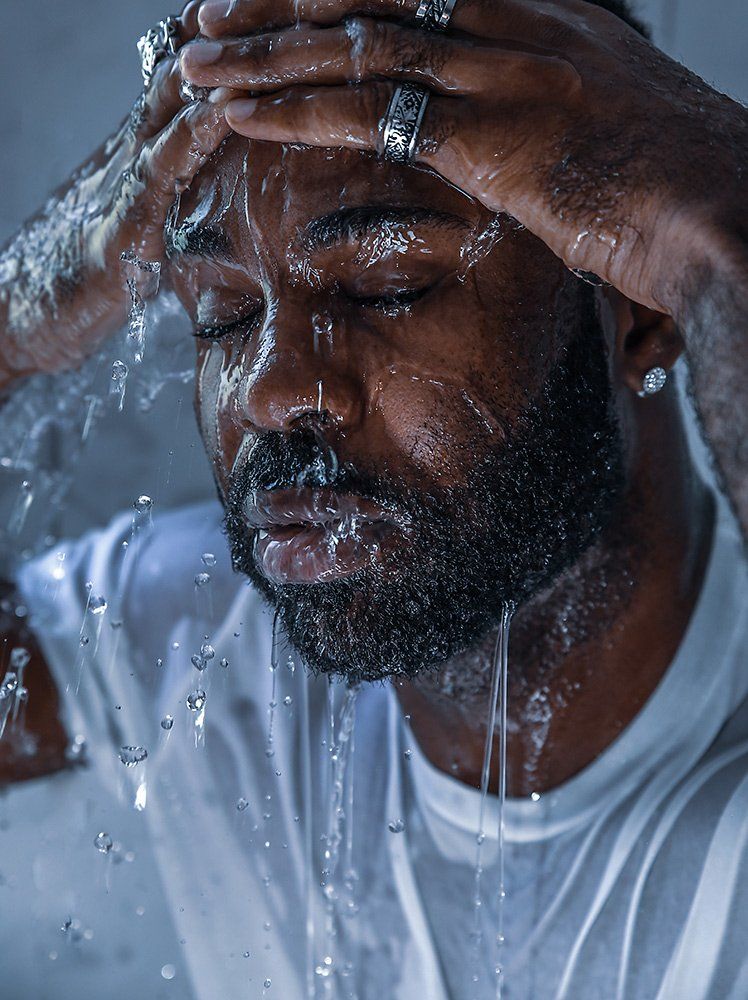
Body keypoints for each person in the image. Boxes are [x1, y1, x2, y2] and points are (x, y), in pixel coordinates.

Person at [0, 0, 745, 996]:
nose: (268, 389)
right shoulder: (201, 655)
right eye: (224, 312)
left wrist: (729, 225)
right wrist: (18, 308)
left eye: (386, 283)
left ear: (646, 306)